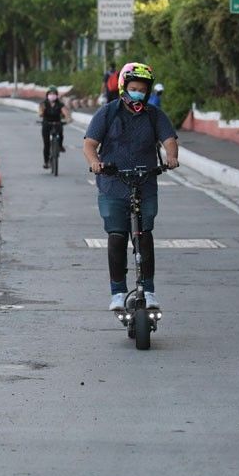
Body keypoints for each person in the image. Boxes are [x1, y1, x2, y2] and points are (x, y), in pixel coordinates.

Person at [82, 62, 179, 310]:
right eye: (134, 88)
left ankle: (149, 290)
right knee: (116, 236)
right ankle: (117, 292)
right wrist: (95, 163)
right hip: (113, 184)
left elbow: (168, 138)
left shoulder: (154, 114)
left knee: (144, 237)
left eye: (142, 89)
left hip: (145, 183)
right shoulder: (108, 112)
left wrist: (171, 156)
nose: (138, 93)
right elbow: (90, 144)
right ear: (124, 87)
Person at [38, 85, 72, 169]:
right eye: (50, 93)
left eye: (54, 94)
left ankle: (59, 146)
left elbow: (65, 112)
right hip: (46, 124)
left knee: (60, 134)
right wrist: (41, 113)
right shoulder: (44, 103)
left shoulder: (60, 104)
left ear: (57, 95)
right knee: (46, 144)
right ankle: (46, 162)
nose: (52, 95)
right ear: (47, 95)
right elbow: (40, 112)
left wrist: (68, 118)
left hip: (57, 123)